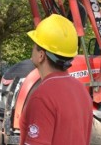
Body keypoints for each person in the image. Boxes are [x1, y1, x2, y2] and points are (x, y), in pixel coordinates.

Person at [19, 14, 92, 145]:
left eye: (34, 46)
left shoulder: (42, 97)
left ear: (41, 55)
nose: (32, 50)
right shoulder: (82, 91)